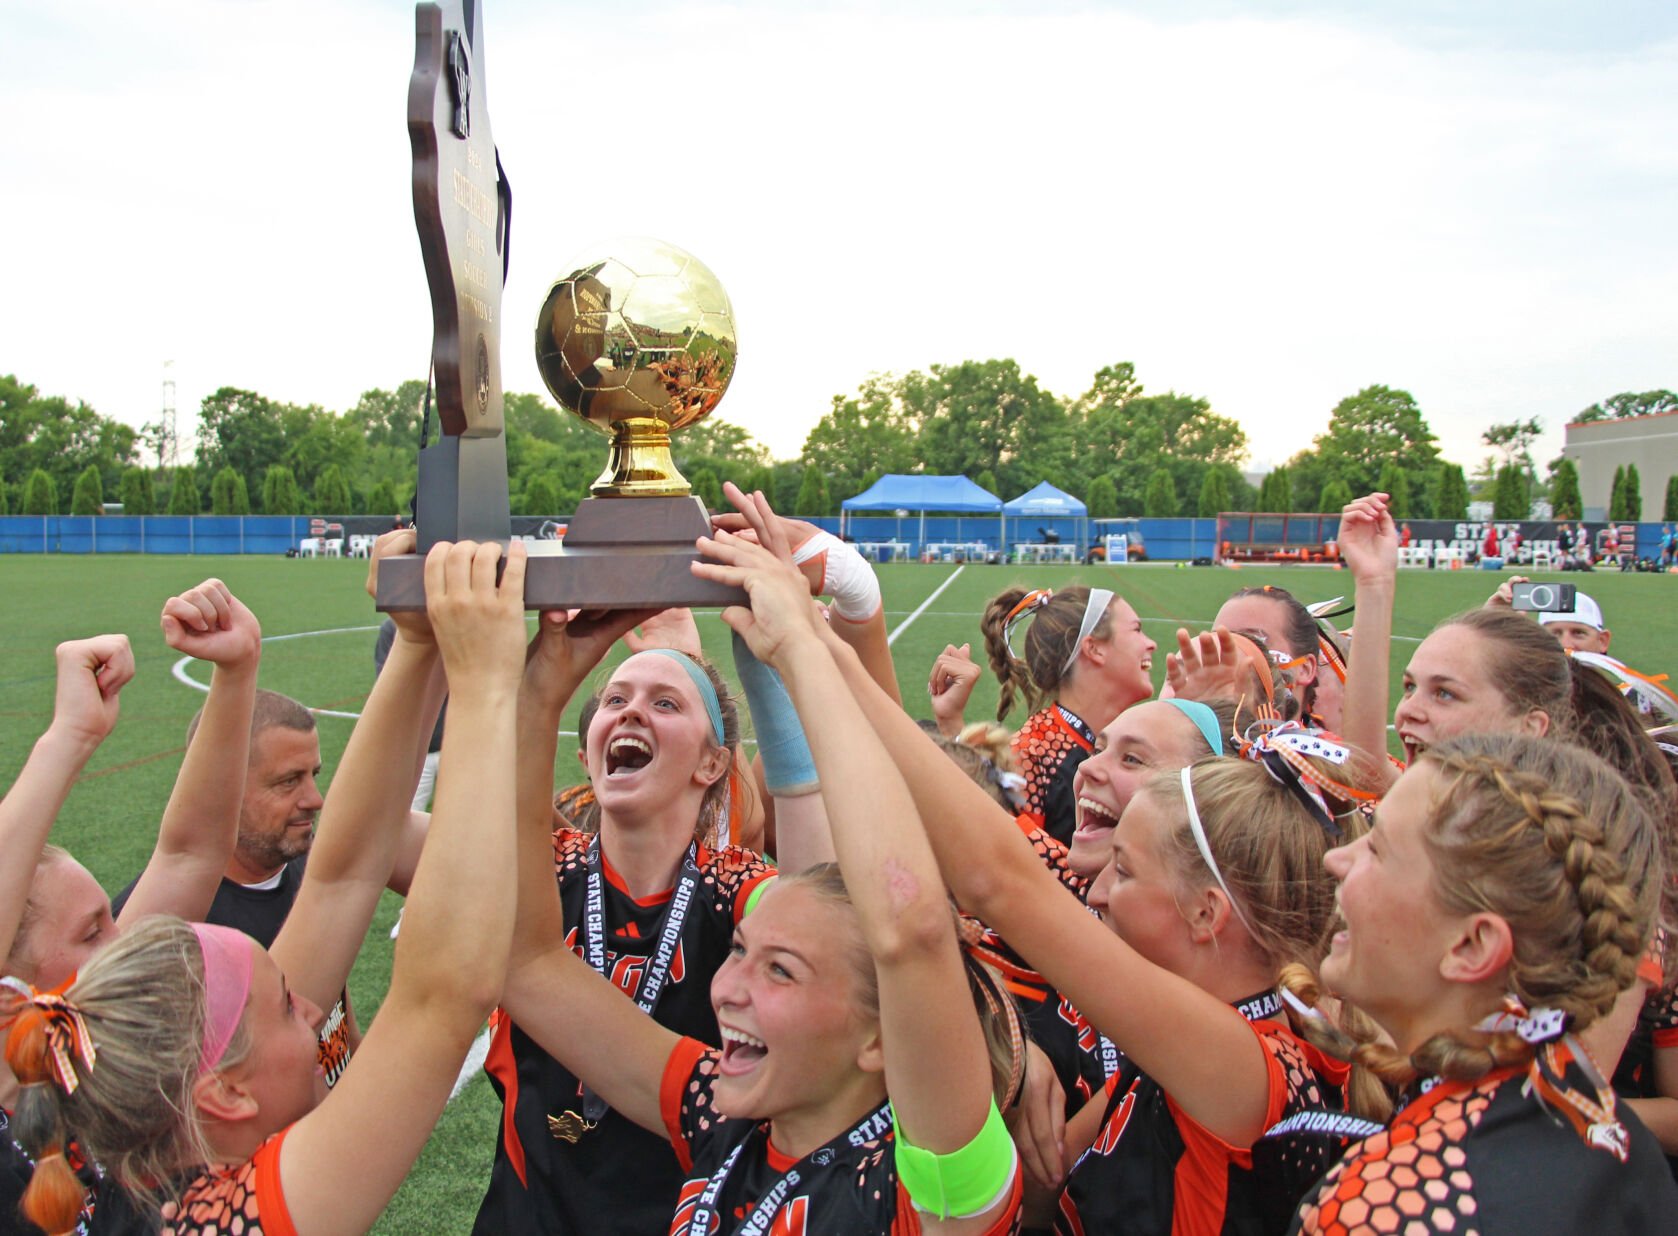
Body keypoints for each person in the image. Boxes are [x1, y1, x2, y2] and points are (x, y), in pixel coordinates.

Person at [493, 496, 1022, 1235]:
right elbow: (525, 959)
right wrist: (541, 691)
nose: (726, 986)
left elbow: (912, 928)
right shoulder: (722, 1117)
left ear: (883, 1037)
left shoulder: (928, 1195)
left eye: (780, 970)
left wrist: (804, 646)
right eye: (742, 951)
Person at [2, 538, 530, 1236]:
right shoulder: (223, 1222)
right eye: (283, 1006)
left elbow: (335, 874)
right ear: (219, 1089)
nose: (314, 1014)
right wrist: (491, 687)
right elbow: (441, 994)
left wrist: (414, 643)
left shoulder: (83, 1134)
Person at [817, 600, 1389, 1232]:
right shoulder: (1184, 1044)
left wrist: (821, 654)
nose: (1093, 892)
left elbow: (999, 881)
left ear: (1207, 911)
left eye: (1127, 867)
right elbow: (1044, 1178)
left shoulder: (1240, 1061)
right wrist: (1010, 1047)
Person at [472, 601, 779, 1234]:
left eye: (666, 704)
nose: (633, 710)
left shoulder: (736, 888)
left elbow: (837, 920)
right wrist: (426, 651)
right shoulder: (540, 871)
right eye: (614, 700)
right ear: (586, 755)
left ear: (712, 764)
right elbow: (367, 848)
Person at [1293, 734, 1678, 1233]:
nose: (1336, 859)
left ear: (1472, 946)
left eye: (1379, 848)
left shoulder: (1386, 1205)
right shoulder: (1594, 1113)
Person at [979, 585, 1156, 844]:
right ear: (1094, 649)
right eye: (1137, 629)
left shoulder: (1143, 744)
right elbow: (1013, 868)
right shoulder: (1028, 757)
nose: (1151, 643)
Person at [1214, 585, 1321, 720]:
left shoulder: (1325, 741)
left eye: (1253, 640)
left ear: (1305, 669)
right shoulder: (1191, 734)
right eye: (1217, 642)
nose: (1228, 654)